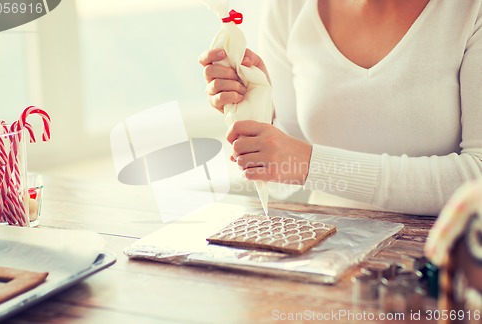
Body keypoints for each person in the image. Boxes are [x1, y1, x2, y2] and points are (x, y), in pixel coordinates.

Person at [199, 0, 482, 216]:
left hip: (447, 263)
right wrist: (255, 109)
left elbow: (477, 178)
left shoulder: (470, 10)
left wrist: (310, 164)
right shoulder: (288, 8)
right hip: (325, 250)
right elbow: (283, 182)